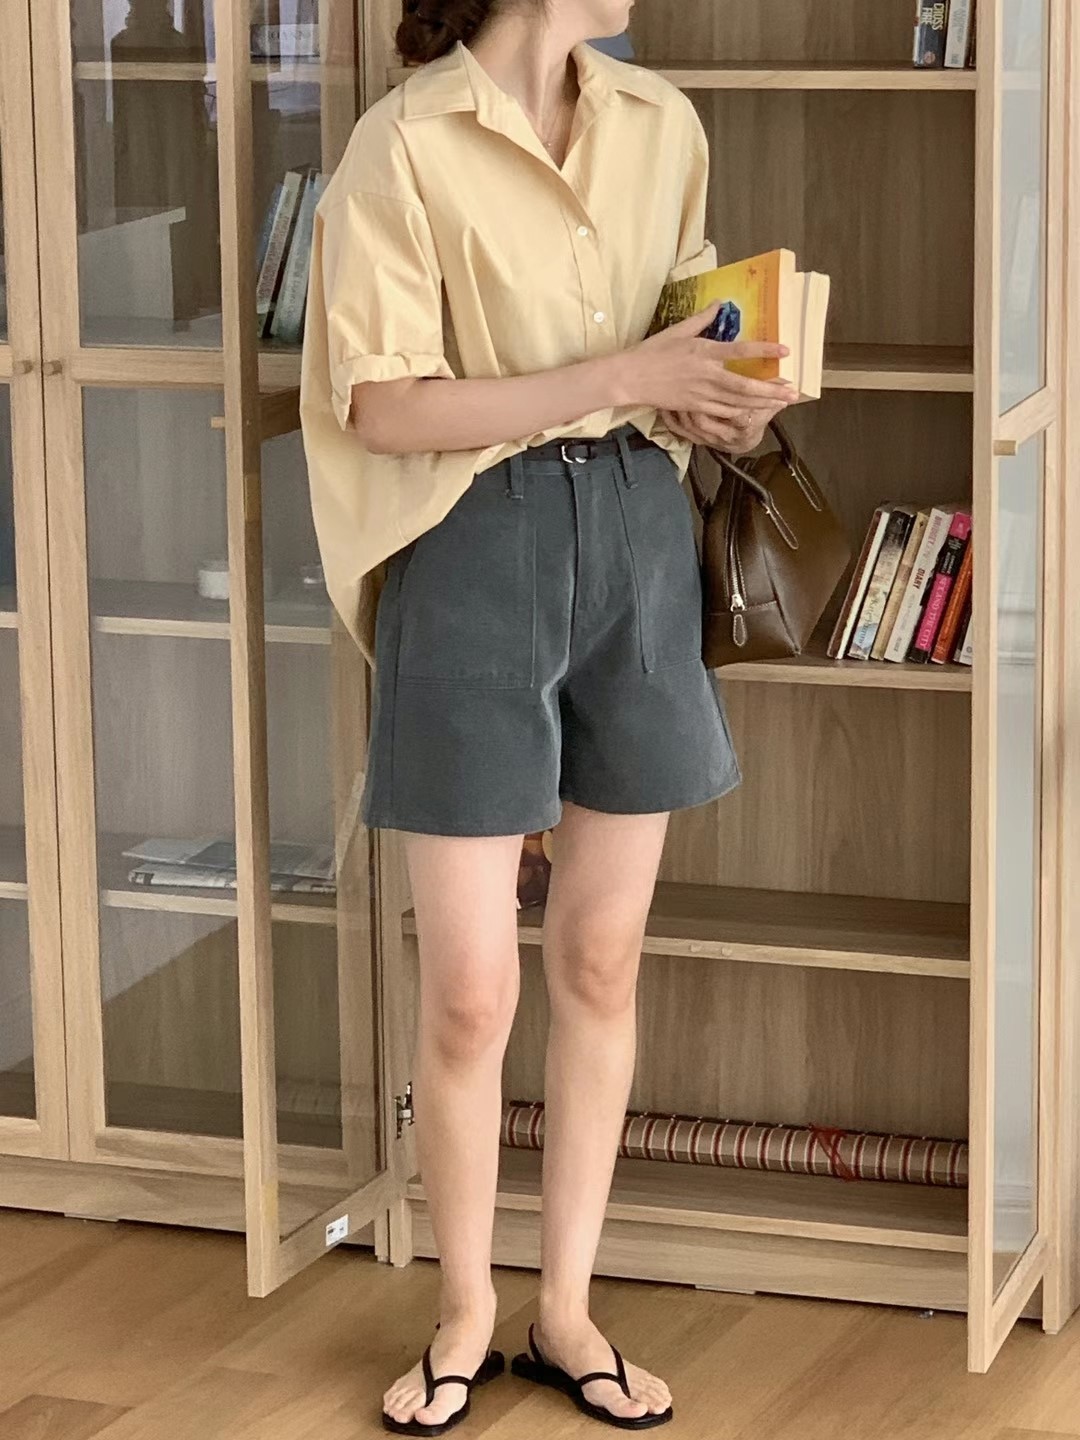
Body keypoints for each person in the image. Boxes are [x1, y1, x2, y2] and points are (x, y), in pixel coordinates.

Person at [299, 0, 797, 1432]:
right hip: (469, 547)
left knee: (598, 957)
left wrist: (721, 404)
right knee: (469, 988)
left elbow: (681, 355)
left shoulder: (662, 126)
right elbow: (383, 408)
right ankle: (464, 1311)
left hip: (638, 534)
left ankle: (563, 1311)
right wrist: (624, 376)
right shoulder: (402, 146)